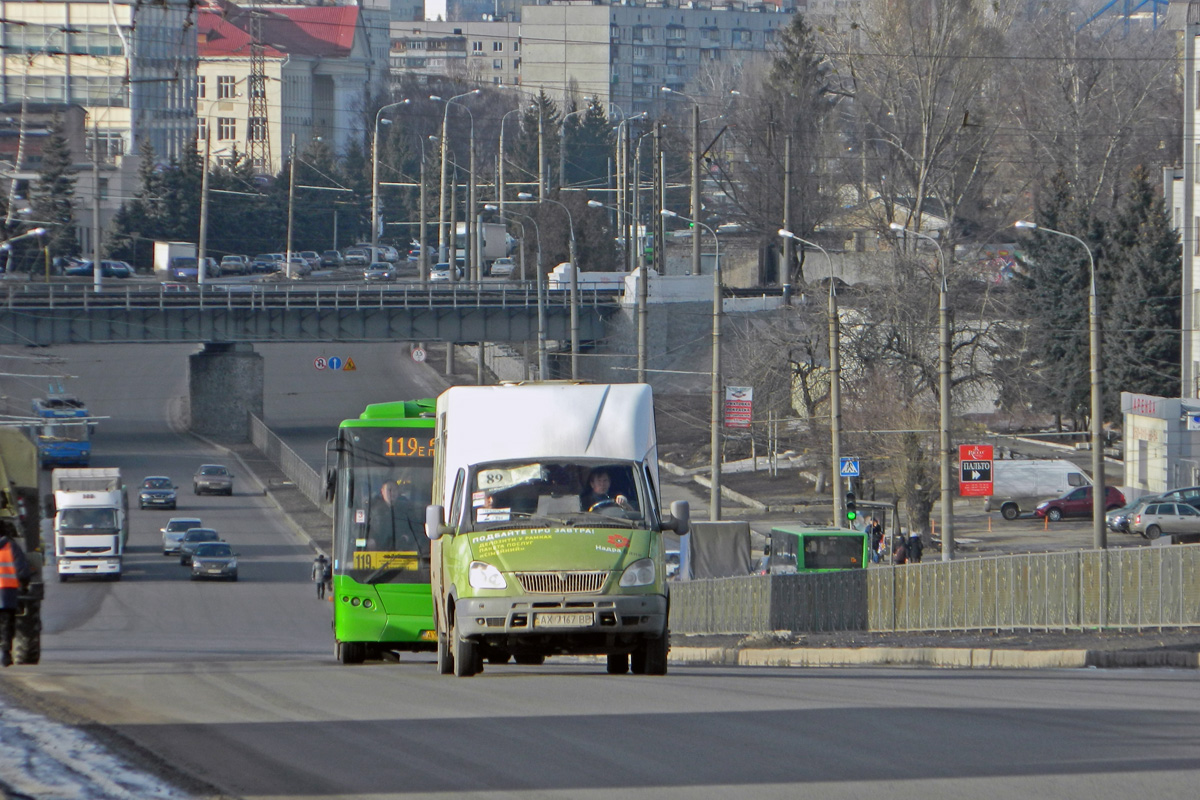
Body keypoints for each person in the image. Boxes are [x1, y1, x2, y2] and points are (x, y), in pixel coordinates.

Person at [0, 521, 31, 668]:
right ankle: (5, 654)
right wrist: (23, 587)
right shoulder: (11, 547)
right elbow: (22, 571)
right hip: (7, 594)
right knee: (7, 623)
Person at [368, 478, 423, 549]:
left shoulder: (406, 509)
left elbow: (417, 529)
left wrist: (407, 537)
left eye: (395, 490)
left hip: (403, 552)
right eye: (389, 490)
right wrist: (371, 539)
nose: (392, 493)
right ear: (382, 491)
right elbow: (361, 529)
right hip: (378, 552)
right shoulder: (372, 509)